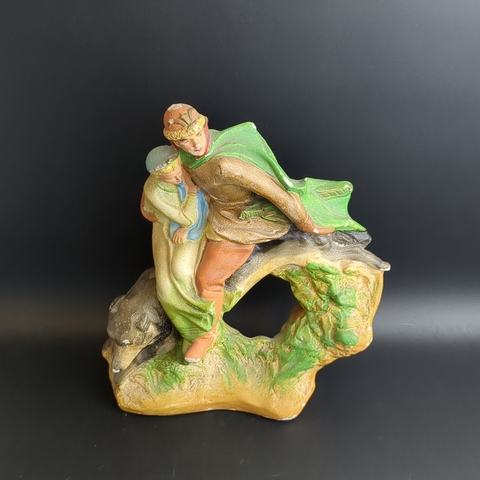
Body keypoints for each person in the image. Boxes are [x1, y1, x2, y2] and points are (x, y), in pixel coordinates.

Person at [162, 103, 341, 363]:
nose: (195, 144)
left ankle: (206, 335)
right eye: (185, 141)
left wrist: (305, 222)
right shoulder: (183, 158)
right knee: (176, 272)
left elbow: (275, 191)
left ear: (206, 127)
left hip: (239, 219)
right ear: (175, 144)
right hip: (204, 215)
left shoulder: (226, 164)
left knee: (207, 280)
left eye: (198, 135)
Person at [141, 145, 216, 351]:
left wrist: (188, 223)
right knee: (165, 289)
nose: (177, 178)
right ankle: (190, 332)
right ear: (158, 177)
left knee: (181, 272)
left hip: (196, 230)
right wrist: (191, 193)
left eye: (177, 172)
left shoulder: (192, 170)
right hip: (165, 230)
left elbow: (193, 220)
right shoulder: (154, 190)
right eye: (170, 178)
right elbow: (185, 217)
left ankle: (205, 325)